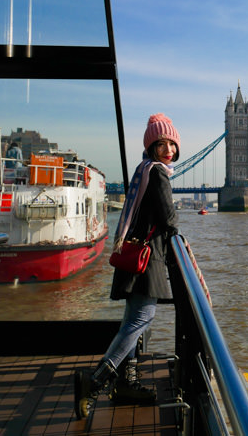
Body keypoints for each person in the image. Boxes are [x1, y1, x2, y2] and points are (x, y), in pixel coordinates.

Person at [74, 113, 180, 419]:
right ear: (151, 147)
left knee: (132, 322)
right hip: (148, 260)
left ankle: (126, 383)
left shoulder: (143, 169)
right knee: (141, 320)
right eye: (161, 144)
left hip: (134, 256)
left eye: (172, 143)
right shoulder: (158, 173)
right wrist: (176, 229)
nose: (168, 150)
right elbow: (168, 218)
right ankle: (95, 382)